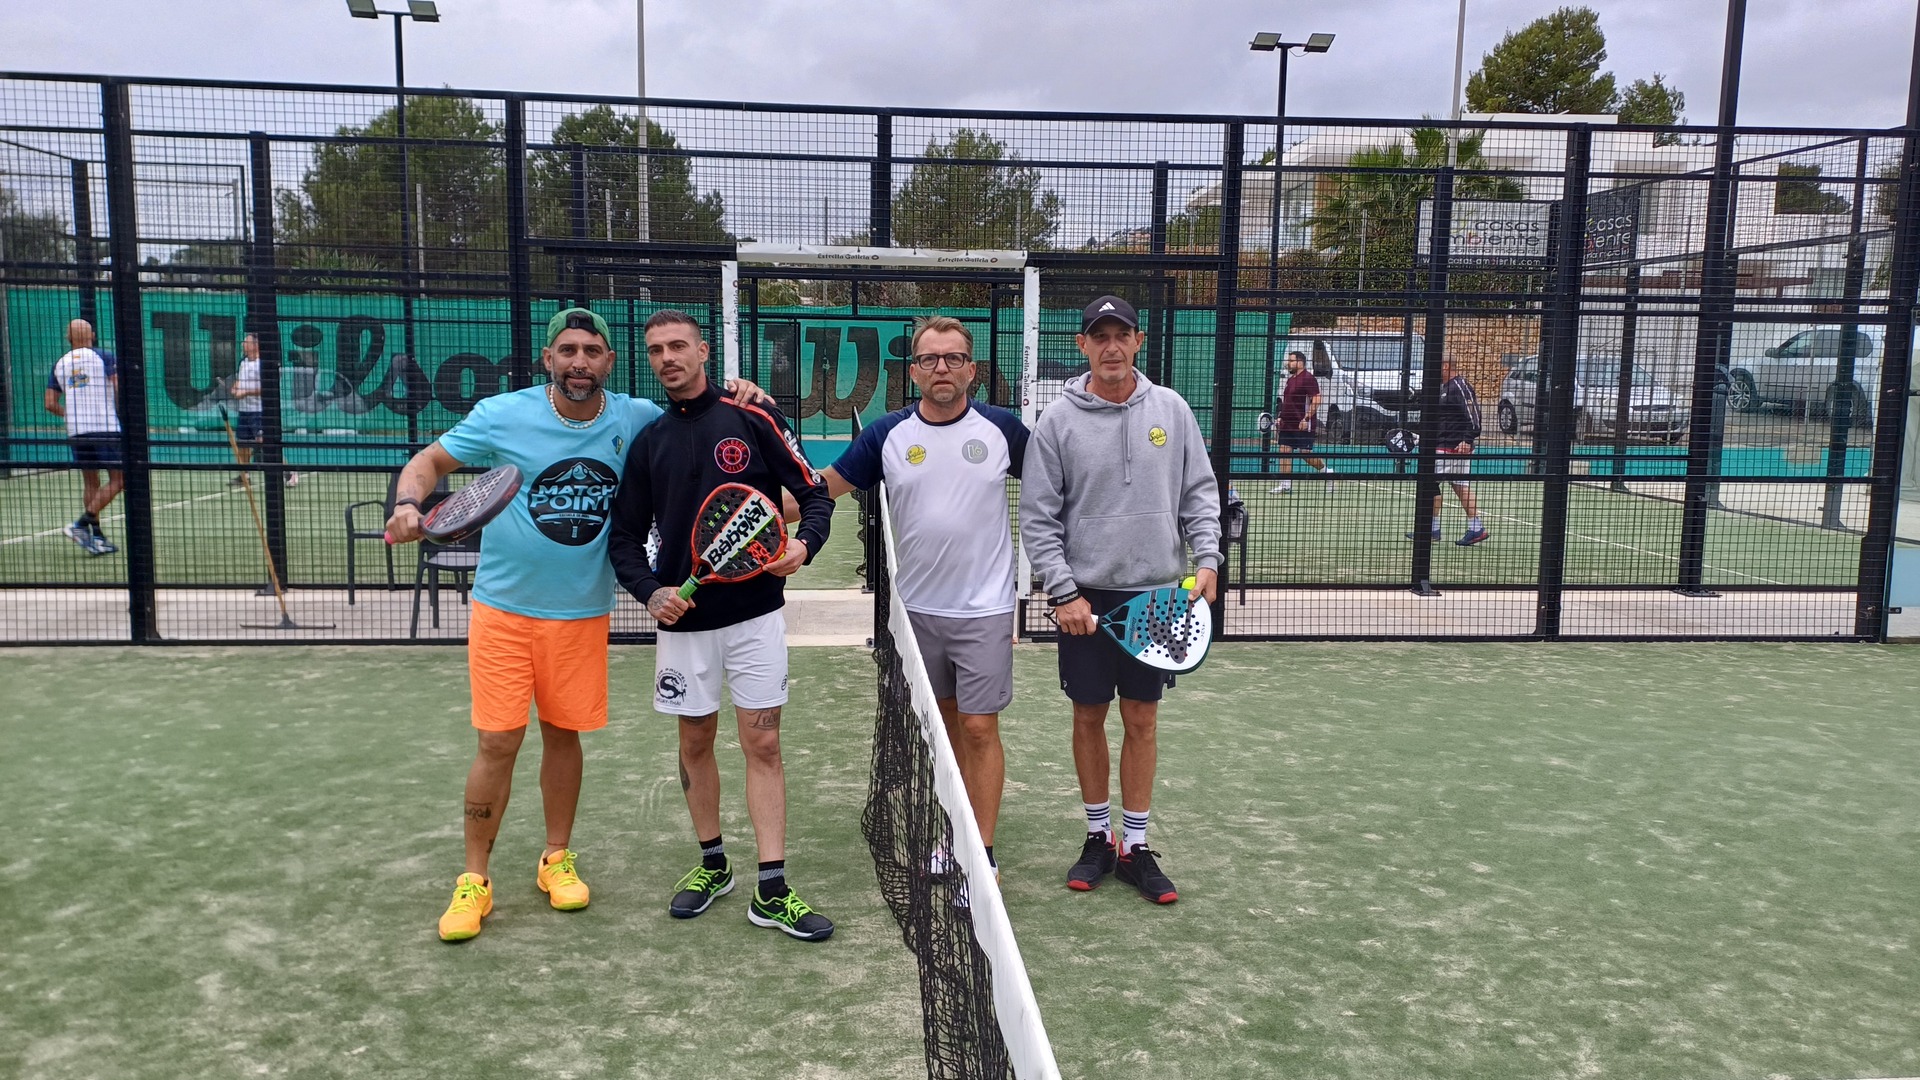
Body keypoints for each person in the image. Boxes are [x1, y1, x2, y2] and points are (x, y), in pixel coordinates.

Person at [387, 307, 770, 943]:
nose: (579, 363)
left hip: (580, 615)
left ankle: (556, 858)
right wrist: (408, 503)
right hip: (503, 612)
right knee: (498, 742)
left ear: (609, 362)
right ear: (548, 359)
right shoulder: (501, 414)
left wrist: (742, 390)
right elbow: (428, 462)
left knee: (563, 736)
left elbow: (697, 406)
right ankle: (474, 879)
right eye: (567, 351)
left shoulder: (634, 416)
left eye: (592, 352)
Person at [608, 310, 838, 942]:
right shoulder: (649, 442)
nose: (667, 358)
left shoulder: (753, 417)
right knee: (695, 742)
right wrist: (651, 591)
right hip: (683, 628)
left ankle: (772, 888)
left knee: (764, 744)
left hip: (755, 618)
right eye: (656, 350)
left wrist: (806, 545)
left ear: (703, 350)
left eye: (678, 346)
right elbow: (624, 538)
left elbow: (814, 494)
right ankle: (713, 864)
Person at [795, 315, 1027, 882]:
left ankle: (981, 855)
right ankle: (955, 833)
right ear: (915, 371)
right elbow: (823, 487)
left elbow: (1056, 494)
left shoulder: (1003, 430)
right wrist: (762, 507)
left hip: (986, 610)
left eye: (953, 358)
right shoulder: (887, 435)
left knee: (979, 728)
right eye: (929, 359)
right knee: (944, 733)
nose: (941, 367)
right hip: (917, 613)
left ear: (971, 369)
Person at [1019, 295, 1221, 905]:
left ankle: (1135, 846)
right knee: (1088, 715)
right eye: (1099, 336)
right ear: (1082, 345)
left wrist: (1207, 559)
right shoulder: (1057, 421)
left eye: (1121, 335)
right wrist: (1064, 593)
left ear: (1138, 341)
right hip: (1085, 600)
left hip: (1156, 595)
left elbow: (1199, 491)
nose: (1111, 346)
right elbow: (1038, 518)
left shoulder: (1172, 410)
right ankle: (1097, 837)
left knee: (1141, 718)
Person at [44, 319, 122, 556]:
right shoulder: (103, 356)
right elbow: (117, 386)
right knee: (120, 479)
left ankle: (96, 537)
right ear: (93, 335)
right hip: (104, 427)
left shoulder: (60, 363)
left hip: (76, 430)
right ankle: (81, 523)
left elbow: (50, 403)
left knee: (90, 482)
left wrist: (72, 415)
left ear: (68, 337)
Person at [1412, 356, 1489, 546]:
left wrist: (1468, 440)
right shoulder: (1445, 388)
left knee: (1429, 483)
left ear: (1445, 366)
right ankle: (1475, 528)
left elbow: (1474, 415)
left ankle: (1431, 530)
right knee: (1459, 486)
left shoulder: (1460, 386)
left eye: (1435, 366)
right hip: (1446, 446)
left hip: (1452, 447)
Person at [227, 333, 298, 488]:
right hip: (244, 411)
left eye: (246, 342)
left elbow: (267, 388)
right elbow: (239, 381)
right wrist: (235, 388)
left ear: (256, 345)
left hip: (260, 411)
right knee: (243, 444)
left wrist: (246, 393)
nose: (243, 344)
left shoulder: (263, 364)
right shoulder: (243, 362)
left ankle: (289, 472)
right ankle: (244, 474)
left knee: (265, 443)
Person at [1268, 349, 1334, 494]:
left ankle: (1327, 472)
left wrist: (1306, 418)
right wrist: (1281, 418)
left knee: (1305, 453)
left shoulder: (1308, 378)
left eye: (1291, 360)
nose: (1288, 363)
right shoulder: (1290, 380)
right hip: (1288, 424)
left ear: (1300, 362)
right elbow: (1288, 402)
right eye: (1289, 360)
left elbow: (1317, 399)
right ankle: (1285, 485)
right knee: (1284, 451)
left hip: (1303, 424)